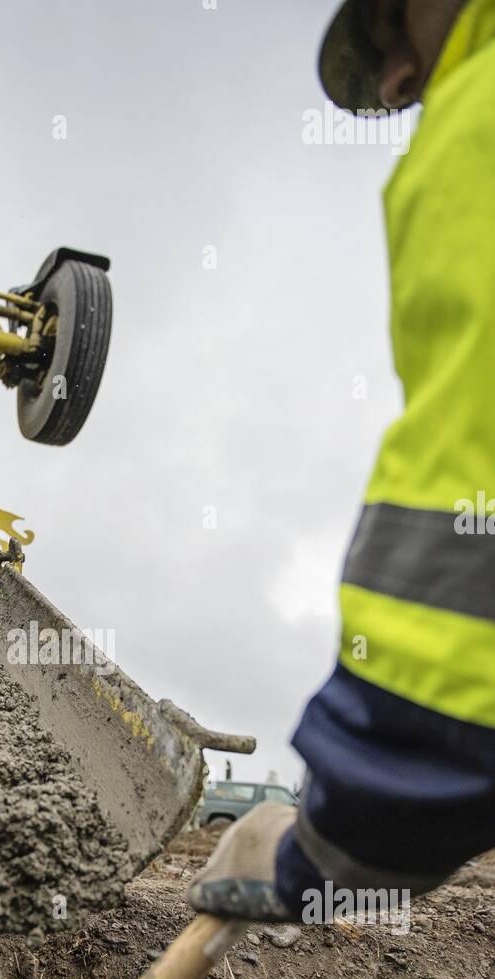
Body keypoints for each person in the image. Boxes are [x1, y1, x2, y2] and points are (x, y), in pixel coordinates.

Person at [190, 0, 495, 922]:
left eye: (388, 34)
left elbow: (469, 506)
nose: (397, 82)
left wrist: (350, 828)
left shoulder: (472, 124)